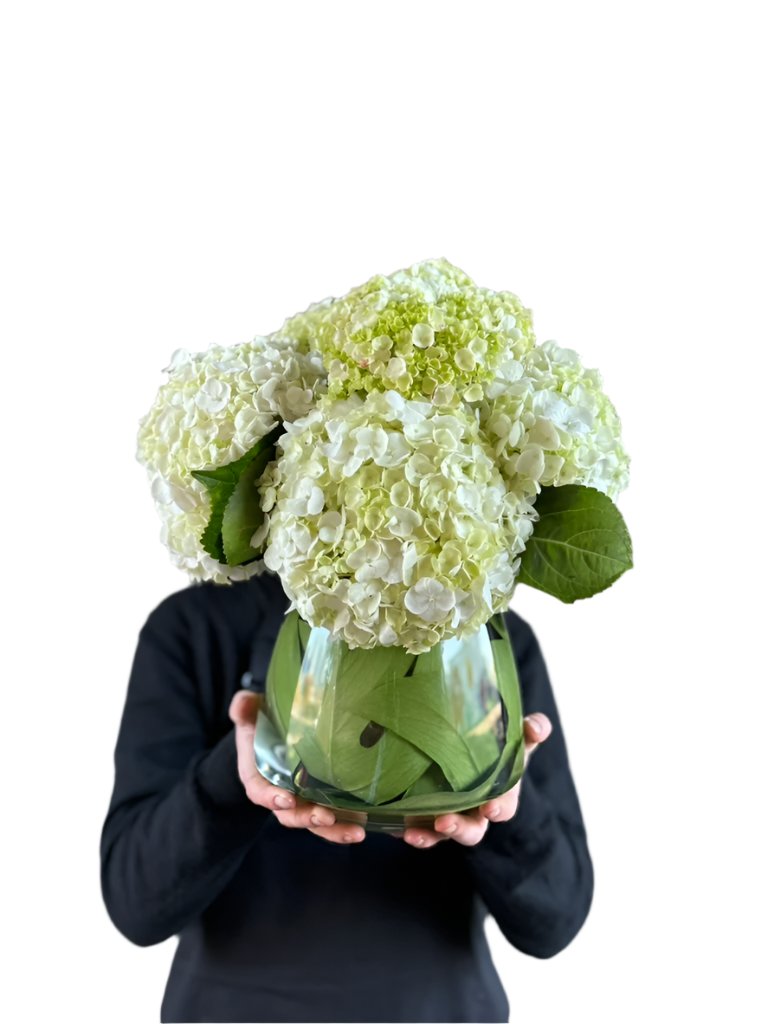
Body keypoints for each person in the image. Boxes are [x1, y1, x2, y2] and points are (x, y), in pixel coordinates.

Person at [100, 569, 594, 1024]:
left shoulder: (484, 636)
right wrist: (235, 773)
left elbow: (555, 918)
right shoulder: (195, 627)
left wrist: (498, 794)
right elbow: (136, 903)